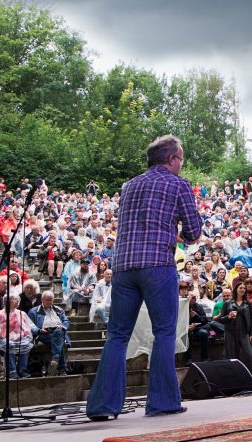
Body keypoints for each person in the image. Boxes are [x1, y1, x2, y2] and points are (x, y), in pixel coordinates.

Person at [86, 135, 202, 419]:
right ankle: (162, 402)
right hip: (157, 265)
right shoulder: (178, 184)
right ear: (172, 159)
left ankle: (102, 406)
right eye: (181, 160)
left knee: (117, 336)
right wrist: (178, 232)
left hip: (123, 267)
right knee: (164, 332)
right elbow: (192, 232)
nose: (181, 165)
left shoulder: (129, 186)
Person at [0, 293, 35, 378]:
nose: (17, 301)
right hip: (3, 337)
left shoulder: (21, 313)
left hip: (19, 336)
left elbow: (28, 325)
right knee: (10, 345)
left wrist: (25, 334)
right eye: (14, 299)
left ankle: (22, 369)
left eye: (17, 300)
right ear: (8, 301)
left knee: (25, 344)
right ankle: (12, 370)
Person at [219, 282, 252, 382]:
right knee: (232, 356)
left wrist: (251, 334)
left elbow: (251, 319)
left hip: (243, 332)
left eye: (244, 288)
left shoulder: (248, 303)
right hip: (231, 332)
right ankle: (232, 380)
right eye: (240, 288)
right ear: (236, 289)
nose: (243, 290)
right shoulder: (228, 303)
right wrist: (228, 316)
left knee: (250, 355)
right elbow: (221, 319)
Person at [28, 290, 70, 376]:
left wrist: (62, 326)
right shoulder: (33, 311)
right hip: (44, 334)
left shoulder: (59, 310)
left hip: (58, 331)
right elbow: (30, 325)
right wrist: (39, 330)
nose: (49, 302)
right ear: (42, 300)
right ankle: (61, 368)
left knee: (58, 333)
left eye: (51, 300)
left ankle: (56, 358)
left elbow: (66, 321)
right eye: (47, 300)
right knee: (59, 341)